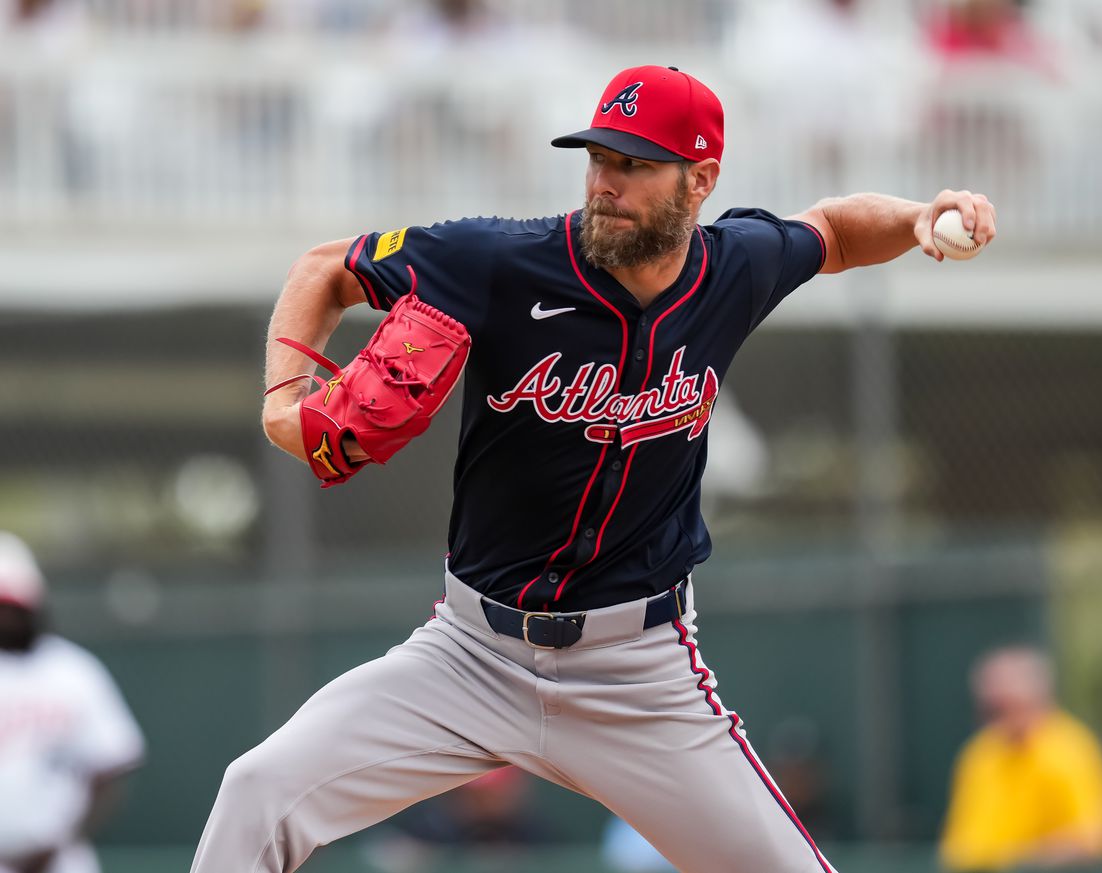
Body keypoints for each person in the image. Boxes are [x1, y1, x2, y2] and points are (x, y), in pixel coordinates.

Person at [192, 64, 997, 873]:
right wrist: (284, 395)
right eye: (598, 157)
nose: (605, 182)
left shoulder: (735, 269)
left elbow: (836, 230)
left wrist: (920, 215)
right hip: (470, 656)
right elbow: (324, 269)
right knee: (257, 790)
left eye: (635, 164)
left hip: (637, 675)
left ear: (700, 179)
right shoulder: (494, 260)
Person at [0, 533, 146, 873]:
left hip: (61, 862)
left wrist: (63, 840)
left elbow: (110, 765)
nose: (7, 619)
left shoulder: (72, 671)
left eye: (14, 608)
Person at [939, 646, 1102, 871]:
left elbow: (1099, 833)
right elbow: (960, 843)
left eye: (1004, 706)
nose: (995, 716)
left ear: (1036, 698)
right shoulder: (980, 753)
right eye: (990, 708)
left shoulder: (1068, 749)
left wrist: (1028, 859)